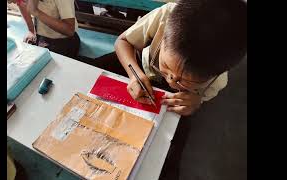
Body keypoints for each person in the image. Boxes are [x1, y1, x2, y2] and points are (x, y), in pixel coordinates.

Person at [91, 0, 247, 179]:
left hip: (176, 99)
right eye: (166, 65)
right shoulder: (165, 17)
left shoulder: (217, 81)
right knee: (88, 73)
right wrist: (134, 74)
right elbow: (123, 41)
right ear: (164, 36)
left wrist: (196, 101)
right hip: (138, 66)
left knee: (167, 153)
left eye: (185, 80)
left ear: (212, 76)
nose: (172, 80)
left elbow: (199, 98)